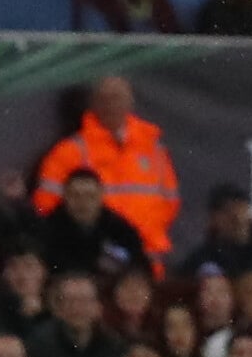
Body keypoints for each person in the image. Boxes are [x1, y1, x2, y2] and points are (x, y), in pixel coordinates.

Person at [32, 77, 176, 272]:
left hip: (145, 259)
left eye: (117, 98)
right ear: (93, 104)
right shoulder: (70, 151)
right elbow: (46, 205)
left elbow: (170, 202)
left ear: (130, 102)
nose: (111, 105)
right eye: (105, 99)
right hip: (86, 260)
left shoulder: (153, 150)